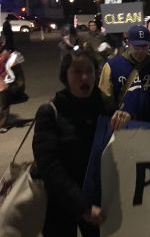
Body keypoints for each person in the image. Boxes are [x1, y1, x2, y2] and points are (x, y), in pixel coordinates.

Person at [32, 49, 130, 236]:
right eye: (77, 72)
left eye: (90, 71)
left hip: (99, 204)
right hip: (61, 205)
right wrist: (82, 206)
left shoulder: (107, 108)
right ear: (65, 76)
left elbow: (123, 151)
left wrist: (125, 123)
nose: (85, 77)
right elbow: (49, 166)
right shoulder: (50, 112)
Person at [98, 25, 150, 128]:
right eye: (137, 47)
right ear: (128, 44)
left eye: (144, 47)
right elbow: (105, 101)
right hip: (125, 128)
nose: (141, 51)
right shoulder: (112, 66)